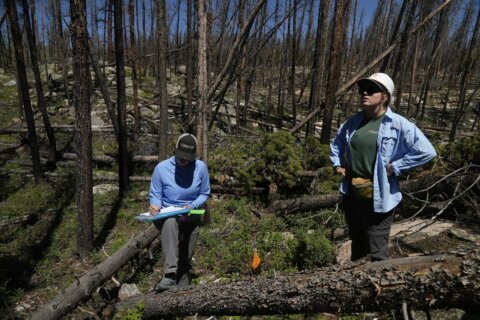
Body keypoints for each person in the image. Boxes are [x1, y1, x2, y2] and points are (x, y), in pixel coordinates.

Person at [330, 72, 436, 261]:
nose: (364, 93)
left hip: (379, 196)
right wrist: (338, 164)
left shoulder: (397, 124)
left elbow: (426, 151)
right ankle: (353, 286)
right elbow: (336, 143)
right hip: (353, 194)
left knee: (377, 251)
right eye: (362, 90)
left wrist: (396, 167)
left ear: (385, 96)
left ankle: (383, 285)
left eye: (371, 90)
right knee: (358, 245)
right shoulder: (354, 122)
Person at [149, 133, 211, 292]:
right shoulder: (161, 168)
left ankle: (183, 288)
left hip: (192, 214)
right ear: (175, 150)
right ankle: (169, 275)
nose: (183, 160)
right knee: (170, 223)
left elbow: (205, 193)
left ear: (194, 155)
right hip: (168, 214)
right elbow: (156, 193)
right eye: (181, 156)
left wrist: (191, 206)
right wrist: (155, 205)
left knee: (185, 257)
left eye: (187, 157)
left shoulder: (201, 168)